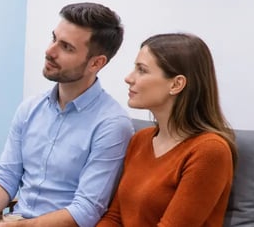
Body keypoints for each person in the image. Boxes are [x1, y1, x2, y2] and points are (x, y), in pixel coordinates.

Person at [0, 3, 134, 227]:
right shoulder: (30, 108)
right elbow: (6, 175)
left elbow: (85, 211)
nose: (49, 51)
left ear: (96, 62)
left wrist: (9, 226)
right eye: (53, 38)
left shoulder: (112, 124)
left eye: (66, 47)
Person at [97, 33, 237, 227]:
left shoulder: (210, 151)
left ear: (176, 84)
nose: (129, 78)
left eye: (142, 70)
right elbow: (114, 217)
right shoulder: (139, 140)